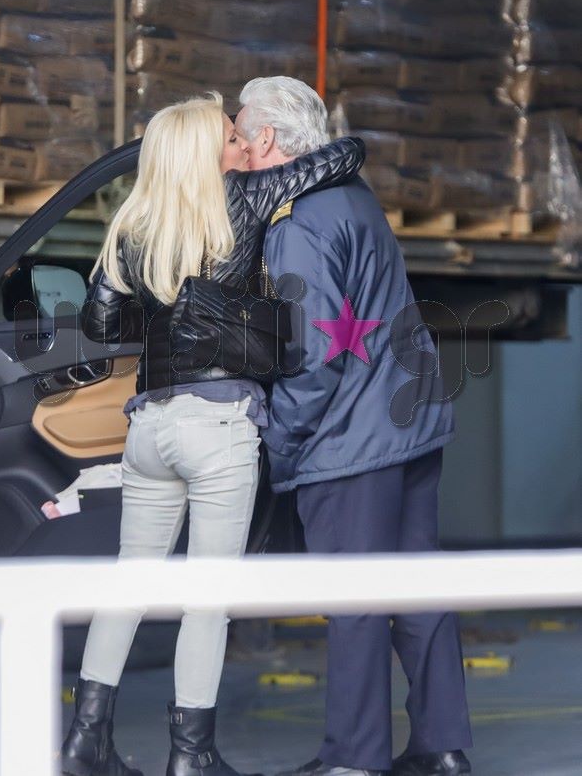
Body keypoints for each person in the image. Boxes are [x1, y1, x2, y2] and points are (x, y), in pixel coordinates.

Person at [61, 92, 365, 776]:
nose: (243, 144)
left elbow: (101, 327)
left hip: (149, 425)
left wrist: (164, 307)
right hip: (218, 426)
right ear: (204, 151)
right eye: (232, 136)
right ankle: (190, 755)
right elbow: (345, 155)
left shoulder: (134, 225)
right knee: (207, 600)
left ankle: (85, 740)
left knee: (129, 584)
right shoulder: (246, 199)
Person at [235, 77, 473, 776]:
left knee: (356, 599)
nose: (238, 151)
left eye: (241, 136)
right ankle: (442, 746)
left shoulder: (298, 222)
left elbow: (315, 354)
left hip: (351, 440)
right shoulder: (354, 196)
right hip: (410, 420)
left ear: (268, 139)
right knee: (417, 586)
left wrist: (280, 438)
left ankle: (354, 758)